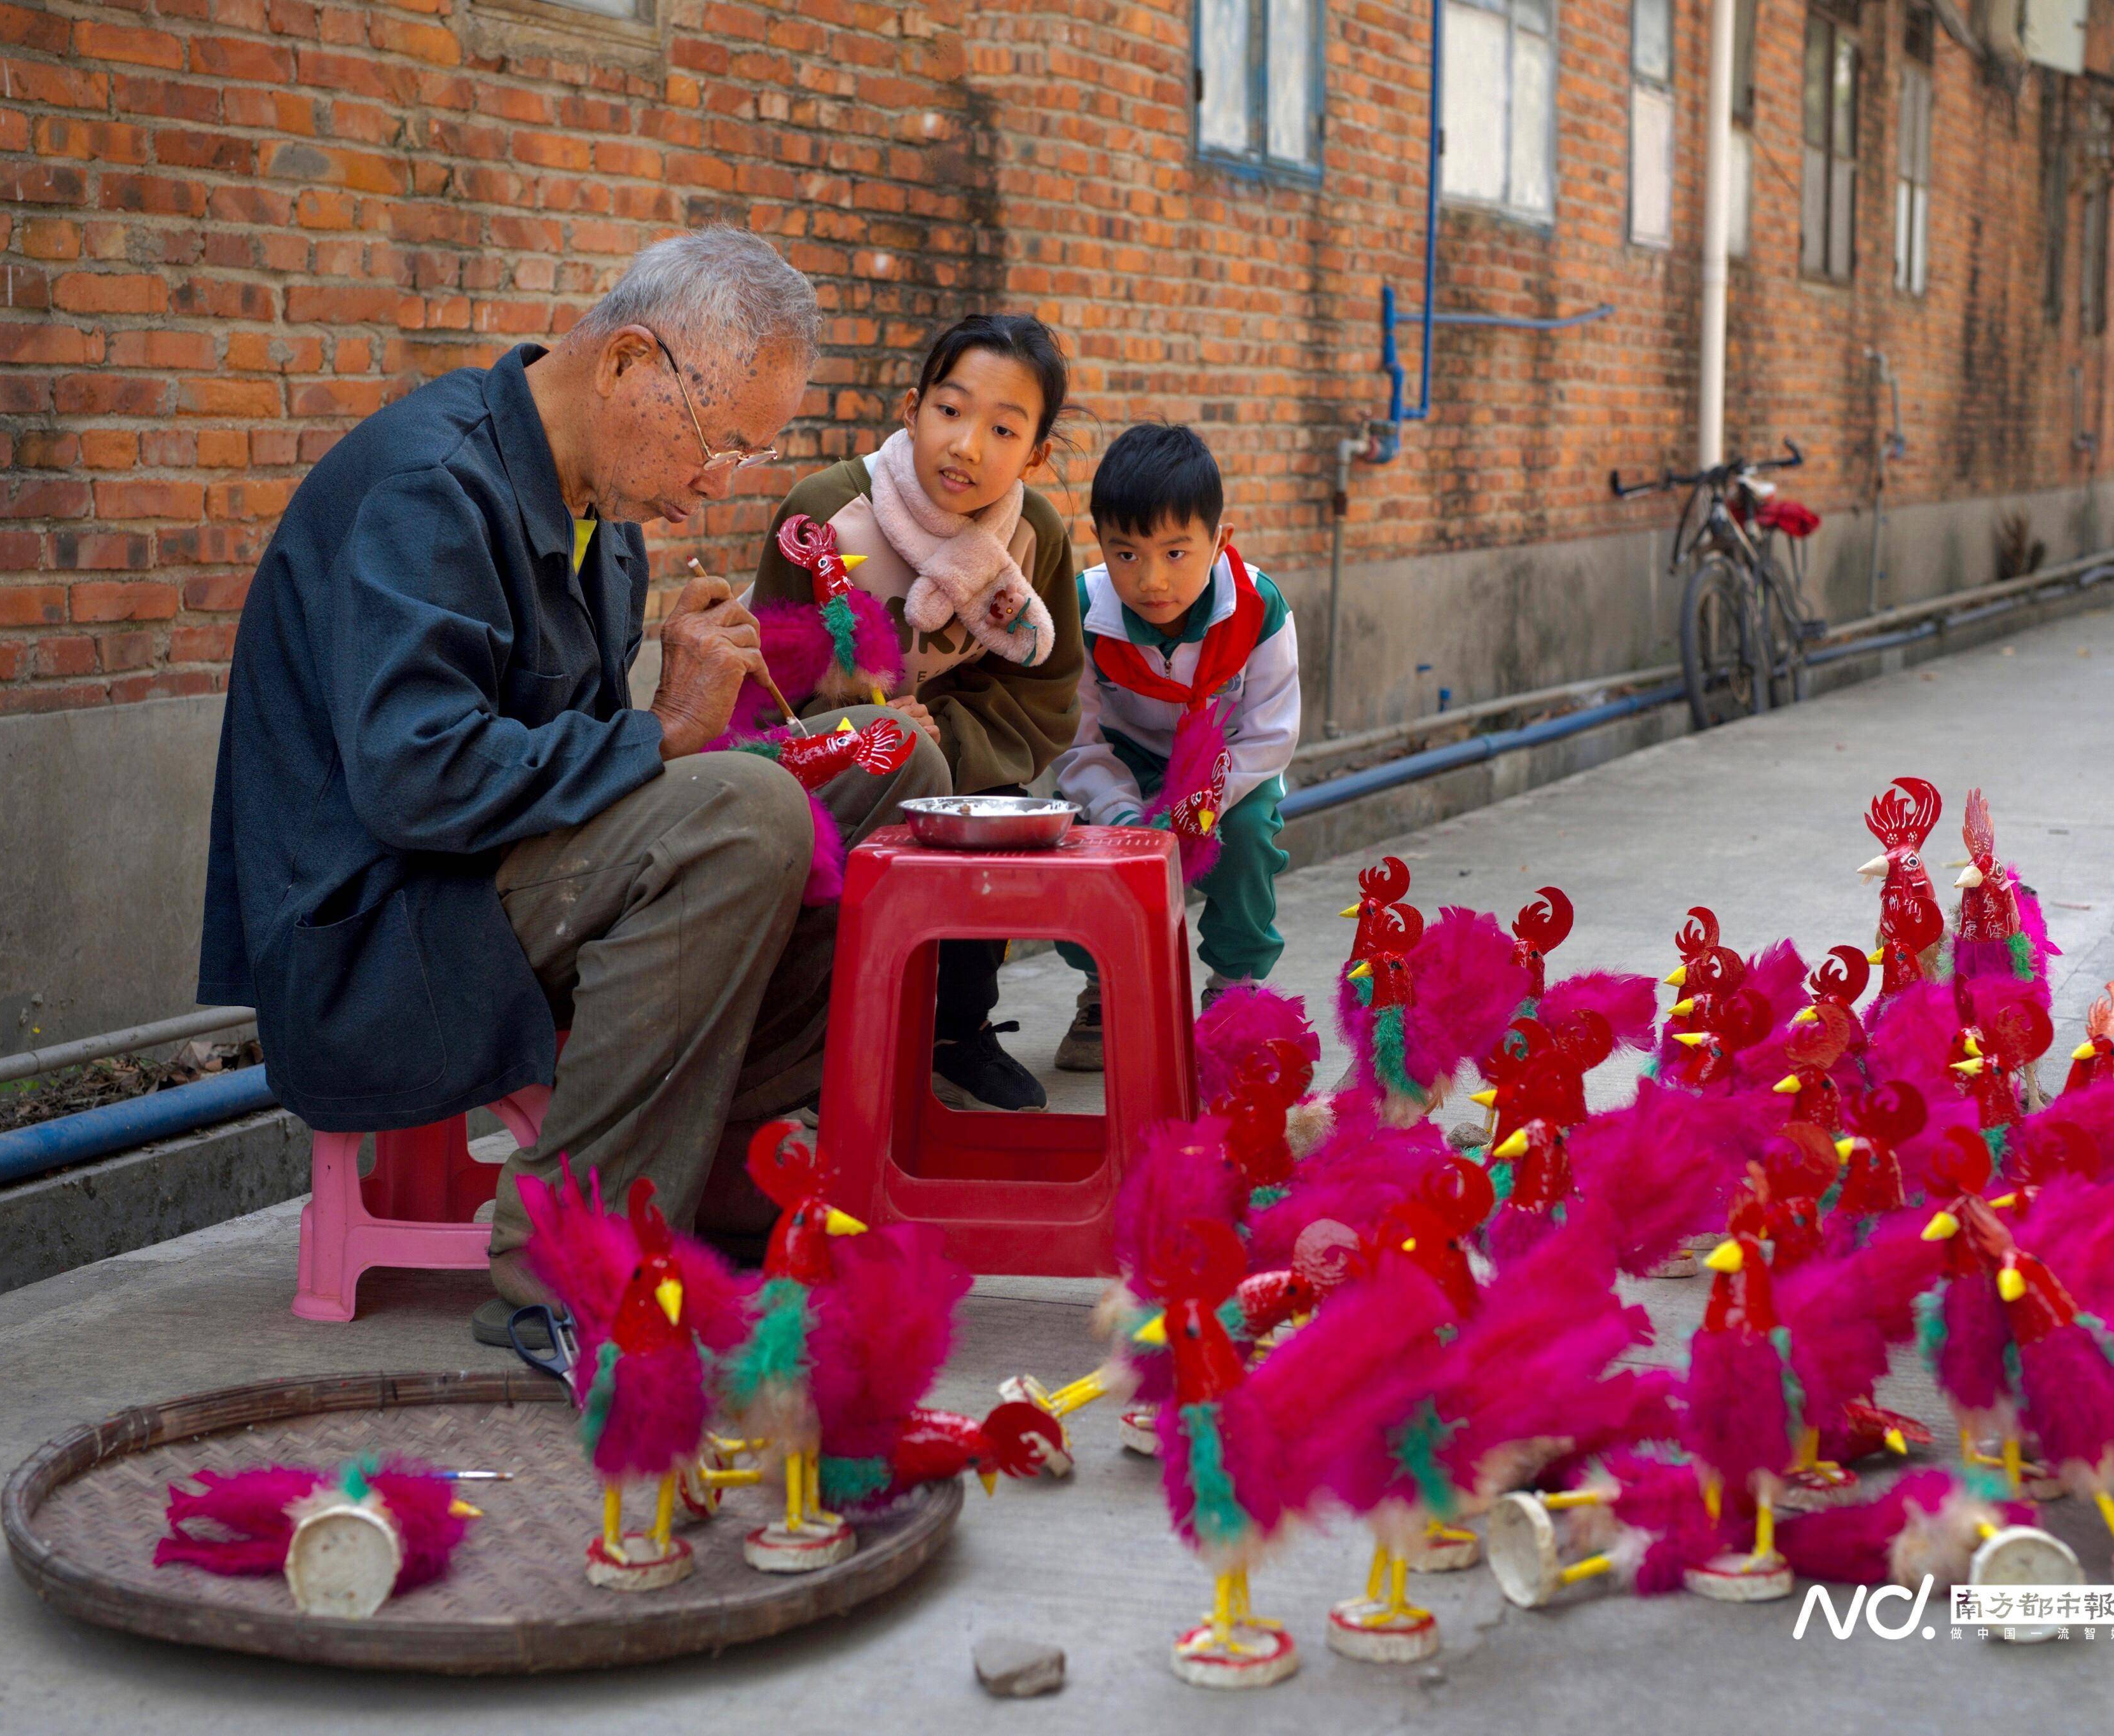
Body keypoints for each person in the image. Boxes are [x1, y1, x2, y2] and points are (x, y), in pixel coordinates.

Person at [195, 230, 950, 1346]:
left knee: (890, 765)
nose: (716, 483)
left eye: (746, 457)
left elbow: (577, 764)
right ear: (627, 363)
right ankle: (566, 1259)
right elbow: (418, 779)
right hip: (383, 936)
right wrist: (662, 731)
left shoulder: (608, 515)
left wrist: (663, 721)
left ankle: (717, 1154)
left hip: (497, 886)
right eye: (717, 442)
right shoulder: (430, 487)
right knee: (745, 814)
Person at [749, 314, 1082, 1112]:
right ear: (910, 408)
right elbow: (765, 685)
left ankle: (956, 1035)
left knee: (991, 840)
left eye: (1003, 429)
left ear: (1035, 453)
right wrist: (845, 719)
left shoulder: (1032, 536)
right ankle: (811, 1052)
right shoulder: (824, 514)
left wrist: (949, 742)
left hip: (962, 773)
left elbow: (1045, 688)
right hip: (835, 767)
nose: (967, 445)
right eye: (950, 410)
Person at [1049, 424, 1299, 1070]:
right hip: (1122, 766)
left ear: (1219, 542)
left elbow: (1269, 734)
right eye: (1126, 554)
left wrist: (1205, 801)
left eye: (1176, 552)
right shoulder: (1081, 611)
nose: (1152, 580)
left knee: (1245, 836)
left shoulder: (1258, 607)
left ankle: (1234, 990)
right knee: (1082, 850)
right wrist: (1127, 820)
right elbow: (1078, 742)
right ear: (1101, 545)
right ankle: (1104, 987)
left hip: (1225, 770)